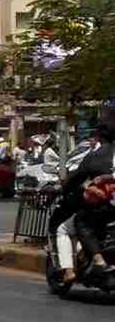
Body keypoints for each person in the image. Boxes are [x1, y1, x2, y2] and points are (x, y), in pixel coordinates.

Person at [50, 101, 115, 282]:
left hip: (107, 206)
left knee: (71, 225)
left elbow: (75, 179)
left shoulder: (94, 156)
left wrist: (63, 190)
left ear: (99, 137)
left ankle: (87, 264)